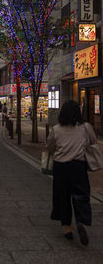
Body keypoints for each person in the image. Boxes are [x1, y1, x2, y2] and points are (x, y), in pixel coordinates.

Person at [47, 100, 97, 246]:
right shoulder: (85, 128)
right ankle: (82, 222)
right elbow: (92, 142)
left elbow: (50, 147)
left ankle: (67, 229)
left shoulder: (56, 129)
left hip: (60, 167)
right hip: (78, 166)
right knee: (81, 195)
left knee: (62, 197)